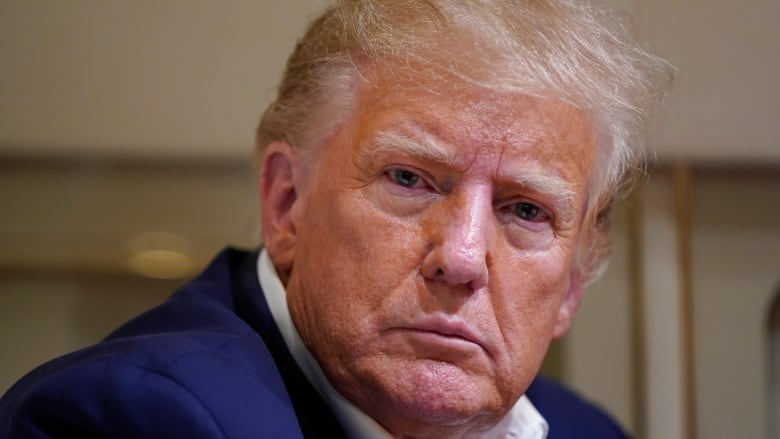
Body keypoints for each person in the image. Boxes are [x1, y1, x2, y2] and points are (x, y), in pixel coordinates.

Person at [0, 0, 672, 437]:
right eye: (408, 178)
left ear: (575, 285)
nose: (462, 257)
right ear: (286, 203)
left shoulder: (586, 430)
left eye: (525, 209)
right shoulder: (133, 419)